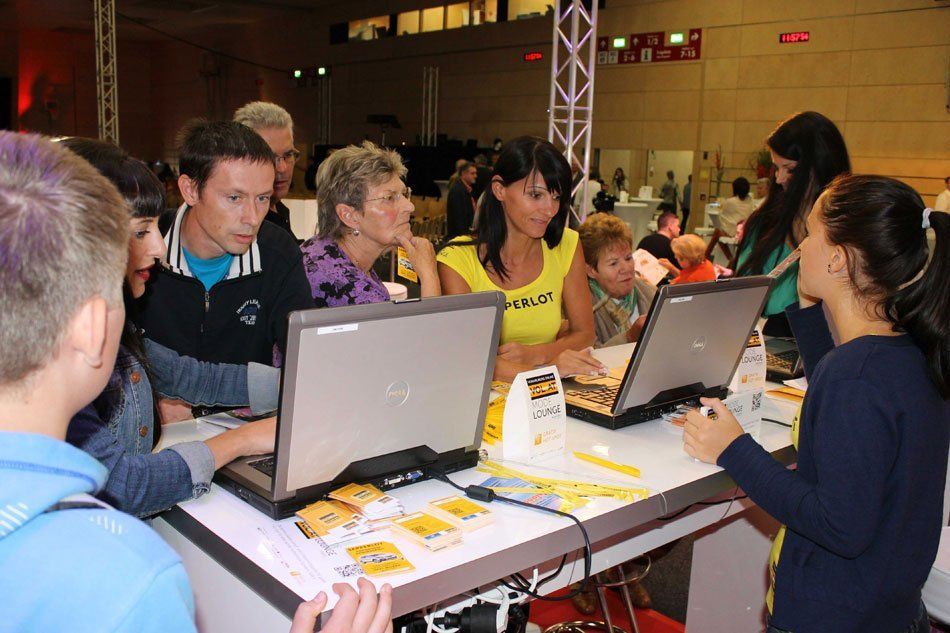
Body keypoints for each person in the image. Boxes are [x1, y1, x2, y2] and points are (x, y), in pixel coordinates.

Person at [683, 174, 949, 633]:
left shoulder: (856, 376)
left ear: (838, 258)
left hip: (832, 616)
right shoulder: (908, 352)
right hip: (885, 610)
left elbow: (839, 524)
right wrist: (809, 305)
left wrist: (733, 449)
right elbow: (849, 396)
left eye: (809, 234)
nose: (801, 247)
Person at [60, 137, 279, 518]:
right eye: (140, 232)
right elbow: (121, 486)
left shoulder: (107, 329)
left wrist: (298, 386)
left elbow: (187, 376)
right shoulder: (53, 356)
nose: (160, 248)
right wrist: (240, 441)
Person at [134, 120, 314, 370]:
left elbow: (308, 361)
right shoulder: (138, 252)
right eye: (234, 198)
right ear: (190, 190)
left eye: (262, 198)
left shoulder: (278, 252)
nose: (252, 218)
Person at [438, 136, 604, 381]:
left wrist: (536, 354)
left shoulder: (566, 244)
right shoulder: (457, 260)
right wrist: (547, 373)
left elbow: (585, 334)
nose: (549, 210)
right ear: (499, 190)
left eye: (556, 197)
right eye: (536, 195)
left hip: (549, 391)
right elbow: (468, 356)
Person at [733, 111, 851, 337]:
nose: (779, 179)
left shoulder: (849, 230)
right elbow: (742, 292)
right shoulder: (764, 221)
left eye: (790, 169)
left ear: (820, 166)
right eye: (777, 168)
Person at [302, 141, 440, 306]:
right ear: (349, 216)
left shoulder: (324, 250)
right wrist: (429, 274)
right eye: (389, 198)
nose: (410, 206)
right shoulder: (347, 288)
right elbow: (431, 324)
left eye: (404, 194)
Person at [578, 214, 657, 346]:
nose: (626, 268)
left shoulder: (651, 293)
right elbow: (588, 355)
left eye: (628, 258)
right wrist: (629, 337)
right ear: (591, 270)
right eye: (613, 263)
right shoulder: (579, 308)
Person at [234, 101, 299, 236]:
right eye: (270, 158)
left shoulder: (279, 210)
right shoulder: (244, 225)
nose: (282, 168)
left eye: (288, 155)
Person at [446, 161, 478, 239]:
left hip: (464, 235)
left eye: (475, 173)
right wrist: (465, 236)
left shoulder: (464, 189)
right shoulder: (458, 190)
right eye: (472, 173)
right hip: (459, 237)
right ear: (463, 174)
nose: (475, 176)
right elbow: (458, 217)